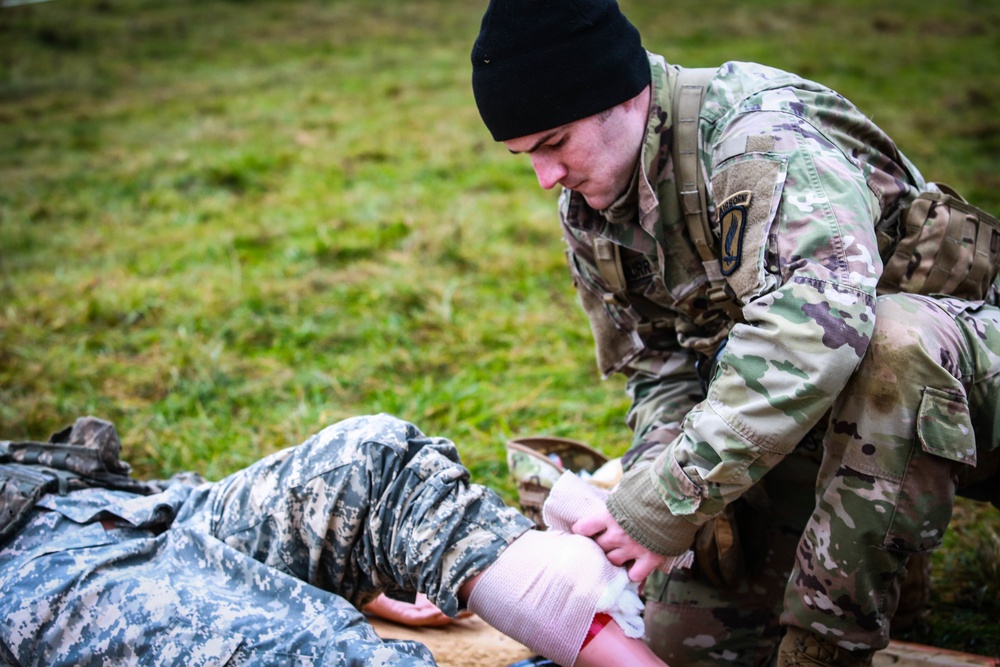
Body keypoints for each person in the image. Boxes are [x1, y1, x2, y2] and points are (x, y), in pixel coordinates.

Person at [469, 1, 1000, 666]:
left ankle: (826, 642)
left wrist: (670, 497)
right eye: (526, 156)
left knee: (894, 344)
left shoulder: (761, 139)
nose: (547, 176)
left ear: (623, 95)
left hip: (969, 387)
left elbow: (814, 333)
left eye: (554, 144)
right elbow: (659, 366)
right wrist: (660, 496)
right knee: (682, 642)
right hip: (835, 418)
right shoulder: (594, 210)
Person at [0, 415, 666, 667]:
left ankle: (599, 629)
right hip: (28, 570)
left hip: (122, 504)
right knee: (283, 647)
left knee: (370, 460)